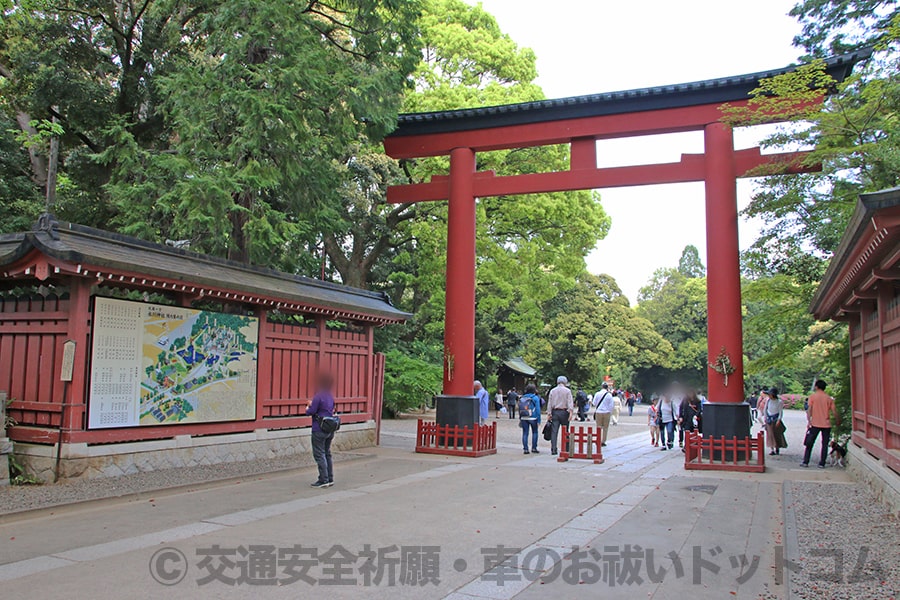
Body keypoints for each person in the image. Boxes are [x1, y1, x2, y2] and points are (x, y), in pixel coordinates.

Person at [305, 372, 336, 488]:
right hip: (329, 428)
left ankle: (323, 479)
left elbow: (311, 411)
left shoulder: (319, 396)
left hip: (318, 428)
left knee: (319, 454)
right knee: (327, 453)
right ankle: (330, 477)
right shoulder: (330, 396)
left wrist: (308, 407)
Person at [802, 380, 841, 468]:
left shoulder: (813, 397)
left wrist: (809, 421)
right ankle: (822, 463)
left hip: (815, 423)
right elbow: (834, 411)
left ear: (816, 387)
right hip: (826, 424)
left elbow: (809, 409)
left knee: (810, 443)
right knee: (824, 444)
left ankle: (805, 461)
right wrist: (838, 420)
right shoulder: (828, 398)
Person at [546, 376, 574, 455]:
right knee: (565, 430)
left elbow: (550, 403)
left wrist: (549, 413)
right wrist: (571, 412)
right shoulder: (567, 391)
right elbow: (570, 403)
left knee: (554, 431)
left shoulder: (552, 391)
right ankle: (566, 448)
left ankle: (553, 449)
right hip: (564, 412)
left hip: (555, 412)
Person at [518, 384, 541, 454]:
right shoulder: (535, 398)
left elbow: (519, 408)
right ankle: (534, 448)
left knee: (525, 433)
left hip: (524, 417)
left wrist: (520, 418)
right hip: (533, 417)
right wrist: (539, 419)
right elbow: (538, 409)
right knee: (535, 432)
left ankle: (525, 449)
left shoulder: (522, 398)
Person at [762, 387, 784, 456]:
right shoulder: (768, 401)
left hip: (775, 419)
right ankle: (772, 449)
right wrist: (765, 418)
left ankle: (777, 447)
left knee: (776, 434)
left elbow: (780, 412)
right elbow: (765, 410)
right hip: (769, 419)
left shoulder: (779, 402)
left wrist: (779, 420)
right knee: (770, 435)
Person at [592, 382, 614, 447]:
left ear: (602, 387)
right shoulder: (609, 395)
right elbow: (611, 405)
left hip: (599, 412)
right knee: (605, 428)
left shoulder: (597, 394)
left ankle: (598, 439)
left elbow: (594, 403)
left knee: (598, 427)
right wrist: (609, 411)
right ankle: (603, 441)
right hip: (606, 412)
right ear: (607, 387)